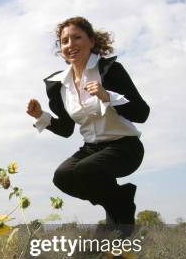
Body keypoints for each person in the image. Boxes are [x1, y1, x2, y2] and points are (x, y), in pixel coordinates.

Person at [26, 16, 149, 236]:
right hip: (92, 150)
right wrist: (40, 115)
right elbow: (66, 129)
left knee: (86, 169)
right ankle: (119, 203)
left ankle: (119, 212)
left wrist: (107, 96)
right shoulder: (58, 85)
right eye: (64, 41)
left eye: (77, 37)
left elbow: (142, 113)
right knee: (63, 176)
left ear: (91, 41)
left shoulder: (109, 71)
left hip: (125, 148)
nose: (70, 44)